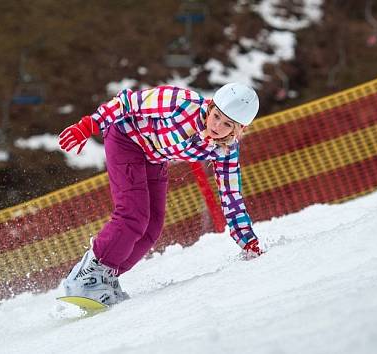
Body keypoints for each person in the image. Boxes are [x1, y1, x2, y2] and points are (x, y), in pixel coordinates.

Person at [58, 83, 264, 305]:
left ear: (238, 130)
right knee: (133, 214)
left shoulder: (226, 150)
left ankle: (106, 277)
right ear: (211, 106)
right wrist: (90, 125)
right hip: (126, 138)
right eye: (216, 116)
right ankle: (86, 277)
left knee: (152, 226)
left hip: (153, 157)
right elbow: (126, 103)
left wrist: (247, 240)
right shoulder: (180, 103)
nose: (217, 126)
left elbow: (231, 194)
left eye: (227, 125)